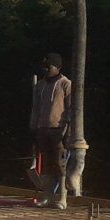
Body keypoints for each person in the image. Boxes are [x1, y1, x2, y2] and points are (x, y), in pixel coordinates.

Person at [30, 52, 73, 210]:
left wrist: (67, 131)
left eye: (49, 66)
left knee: (60, 164)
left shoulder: (65, 84)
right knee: (47, 164)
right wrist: (33, 128)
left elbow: (70, 109)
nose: (46, 69)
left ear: (58, 67)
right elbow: (35, 108)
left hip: (58, 129)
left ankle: (62, 199)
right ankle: (47, 197)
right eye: (45, 66)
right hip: (43, 129)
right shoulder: (40, 85)